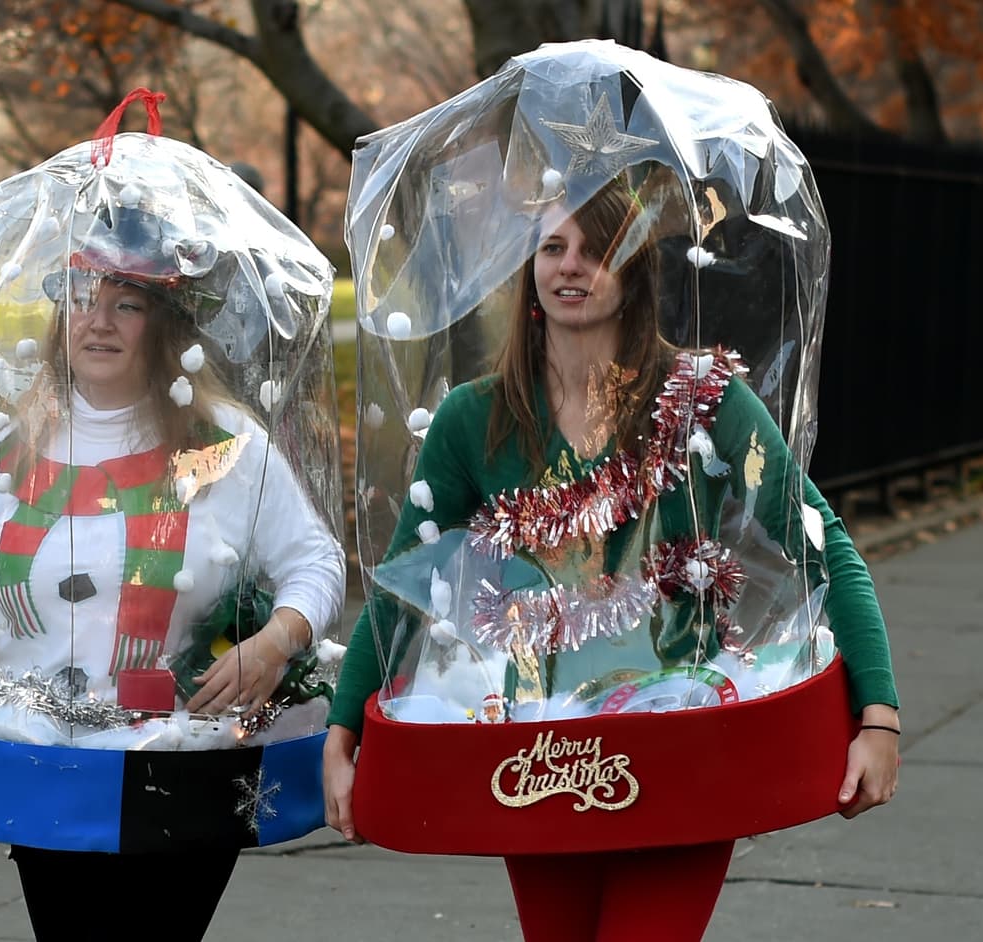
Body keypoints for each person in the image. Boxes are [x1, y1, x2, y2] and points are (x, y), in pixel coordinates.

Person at [323, 174, 900, 940]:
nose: (571, 267)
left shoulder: (707, 400)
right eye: (553, 248)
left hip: (685, 743)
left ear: (635, 270)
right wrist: (343, 732)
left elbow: (820, 546)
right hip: (539, 752)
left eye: (597, 250)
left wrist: (880, 718)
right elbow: (406, 587)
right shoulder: (475, 419)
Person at [0, 173, 345, 938]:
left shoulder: (218, 448)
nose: (97, 322)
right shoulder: (20, 443)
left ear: (164, 324)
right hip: (51, 761)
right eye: (81, 298)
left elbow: (317, 562)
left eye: (125, 303)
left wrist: (275, 643)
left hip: (183, 759)